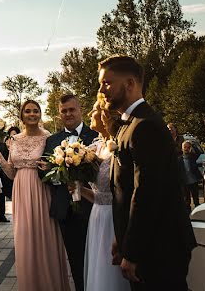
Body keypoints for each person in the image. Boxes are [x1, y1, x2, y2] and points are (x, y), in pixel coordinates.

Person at [99, 55, 195, 290]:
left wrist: (132, 251)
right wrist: (121, 239)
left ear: (130, 84)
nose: (101, 90)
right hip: (147, 244)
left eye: (107, 83)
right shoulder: (130, 124)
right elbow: (125, 189)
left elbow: (146, 195)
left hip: (160, 247)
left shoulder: (145, 126)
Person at [0, 100, 70, 290]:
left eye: (36, 111)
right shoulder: (14, 140)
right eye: (28, 111)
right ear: (22, 115)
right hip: (20, 190)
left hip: (42, 190)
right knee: (25, 236)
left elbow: (57, 167)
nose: (32, 114)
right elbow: (12, 173)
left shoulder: (49, 138)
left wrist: (51, 167)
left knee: (45, 235)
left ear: (40, 114)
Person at [42, 93, 98, 291]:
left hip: (94, 208)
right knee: (75, 260)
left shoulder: (95, 136)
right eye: (64, 111)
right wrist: (62, 179)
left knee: (97, 258)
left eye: (72, 109)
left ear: (80, 110)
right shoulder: (52, 141)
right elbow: (46, 176)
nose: (68, 114)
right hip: (66, 209)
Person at [80, 98, 129, 291]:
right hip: (97, 216)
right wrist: (78, 189)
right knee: (98, 272)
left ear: (104, 114)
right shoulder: (95, 147)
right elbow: (99, 196)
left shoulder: (118, 147)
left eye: (93, 110)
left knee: (112, 275)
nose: (90, 114)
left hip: (114, 219)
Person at [0, 126, 20, 223]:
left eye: (15, 135)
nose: (13, 137)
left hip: (15, 175)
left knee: (14, 195)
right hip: (3, 175)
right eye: (11, 135)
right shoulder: (3, 146)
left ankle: (18, 214)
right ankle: (1, 215)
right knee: (1, 196)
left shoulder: (20, 146)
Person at [179, 141, 205, 210]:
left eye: (188, 147)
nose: (186, 149)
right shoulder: (179, 160)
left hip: (193, 181)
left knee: (196, 199)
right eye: (185, 147)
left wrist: (193, 145)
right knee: (186, 200)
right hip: (185, 182)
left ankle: (197, 212)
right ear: (182, 148)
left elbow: (200, 153)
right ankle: (188, 215)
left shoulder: (193, 157)